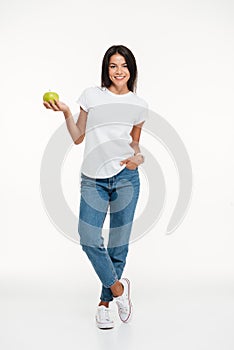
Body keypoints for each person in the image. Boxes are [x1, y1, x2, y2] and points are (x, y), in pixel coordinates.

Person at [43, 45, 148, 329]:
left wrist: (138, 158)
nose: (119, 71)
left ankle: (104, 305)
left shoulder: (139, 104)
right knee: (88, 237)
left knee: (118, 244)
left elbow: (135, 144)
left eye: (124, 65)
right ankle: (119, 290)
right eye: (113, 65)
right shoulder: (91, 95)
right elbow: (78, 137)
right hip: (93, 179)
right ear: (106, 69)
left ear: (131, 69)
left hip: (126, 178)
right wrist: (65, 111)